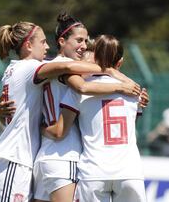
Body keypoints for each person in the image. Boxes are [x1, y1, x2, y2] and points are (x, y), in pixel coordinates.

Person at [0, 21, 126, 202]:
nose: (47, 46)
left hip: (36, 158)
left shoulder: (15, 69)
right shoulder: (33, 67)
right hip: (42, 156)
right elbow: (74, 77)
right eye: (43, 42)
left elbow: (8, 106)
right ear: (28, 45)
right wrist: (111, 72)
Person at [32, 13, 141, 202]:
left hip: (45, 155)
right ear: (62, 41)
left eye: (86, 40)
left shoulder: (48, 65)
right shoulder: (67, 66)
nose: (83, 46)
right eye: (79, 40)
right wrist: (121, 84)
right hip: (64, 155)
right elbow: (82, 87)